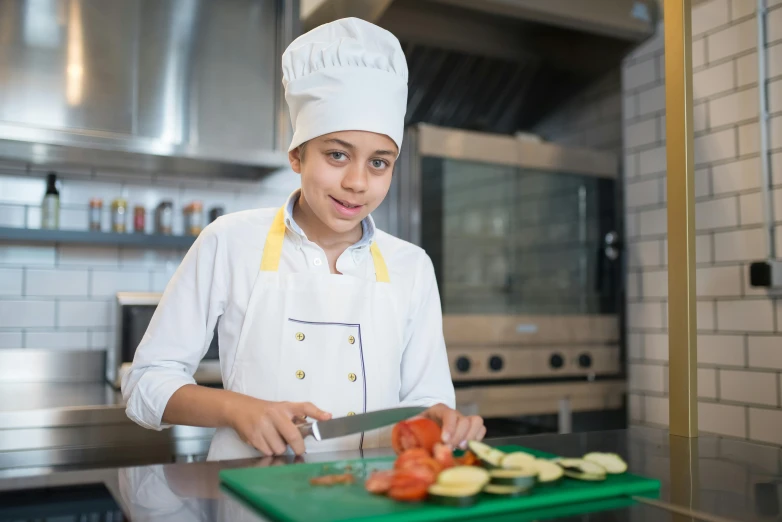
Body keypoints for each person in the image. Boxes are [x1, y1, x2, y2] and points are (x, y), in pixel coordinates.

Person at [122, 17, 485, 461]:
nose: (356, 182)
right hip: (252, 491)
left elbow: (426, 403)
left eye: (379, 163)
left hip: (371, 497)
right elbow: (145, 383)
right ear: (297, 155)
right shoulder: (230, 242)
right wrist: (236, 409)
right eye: (337, 154)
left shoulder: (411, 265)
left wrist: (445, 421)